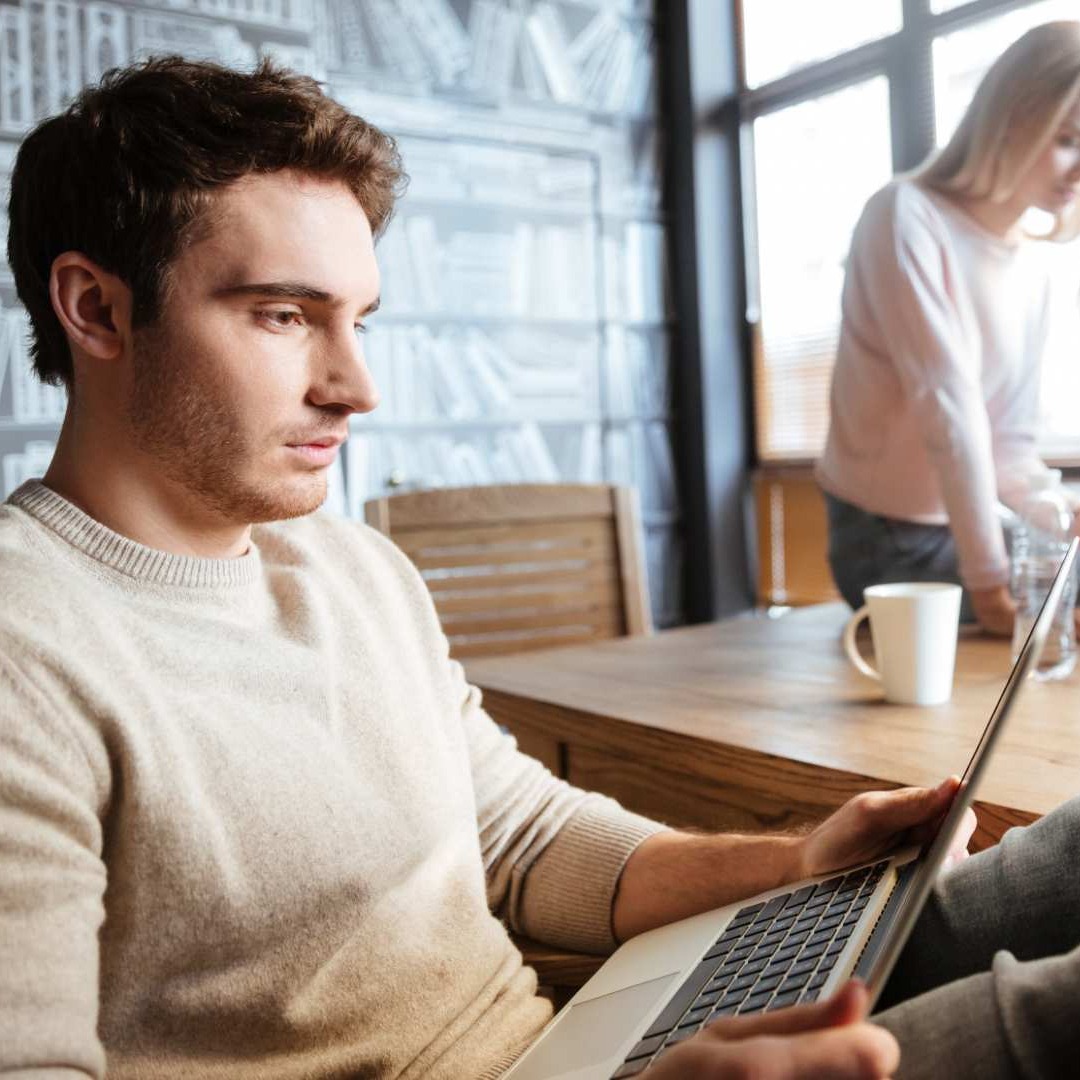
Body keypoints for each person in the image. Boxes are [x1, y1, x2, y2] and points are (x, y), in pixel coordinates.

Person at [0, 55, 1073, 1080]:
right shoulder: (28, 646)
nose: (356, 385)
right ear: (97, 308)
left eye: (357, 320)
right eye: (285, 316)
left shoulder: (354, 569)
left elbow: (524, 837)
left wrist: (791, 863)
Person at [817, 21, 1080, 635]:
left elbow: (1006, 444)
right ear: (1011, 117)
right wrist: (989, 581)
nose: (1079, 169)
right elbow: (949, 410)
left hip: (960, 528)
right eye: (1068, 139)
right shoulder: (904, 216)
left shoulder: (1031, 266)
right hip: (883, 540)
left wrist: (1052, 506)